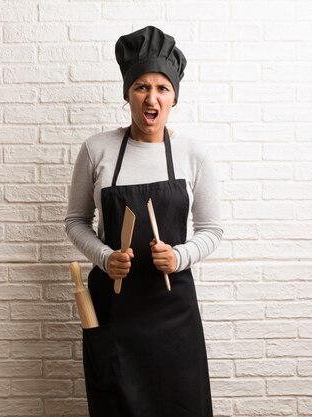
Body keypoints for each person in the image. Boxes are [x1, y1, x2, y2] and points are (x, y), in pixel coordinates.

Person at [64, 26, 223, 417]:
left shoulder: (192, 153)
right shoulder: (97, 149)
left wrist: (180, 257)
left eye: (162, 88)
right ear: (127, 94)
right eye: (141, 87)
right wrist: (104, 257)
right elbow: (76, 221)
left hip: (174, 317)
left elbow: (212, 230)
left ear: (173, 97)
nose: (151, 98)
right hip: (116, 315)